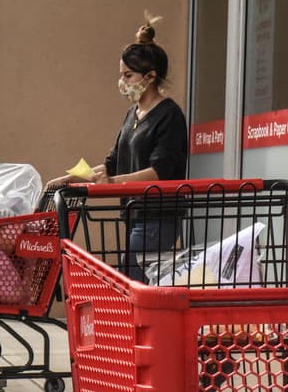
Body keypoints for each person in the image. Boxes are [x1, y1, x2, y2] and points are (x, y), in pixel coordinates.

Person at [46, 15, 189, 281]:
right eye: (121, 75)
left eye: (128, 75)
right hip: (136, 214)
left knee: (129, 277)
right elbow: (112, 162)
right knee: (134, 280)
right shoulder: (132, 114)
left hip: (159, 216)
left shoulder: (169, 115)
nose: (122, 82)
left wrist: (113, 182)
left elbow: (161, 171)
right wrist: (74, 178)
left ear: (150, 77)